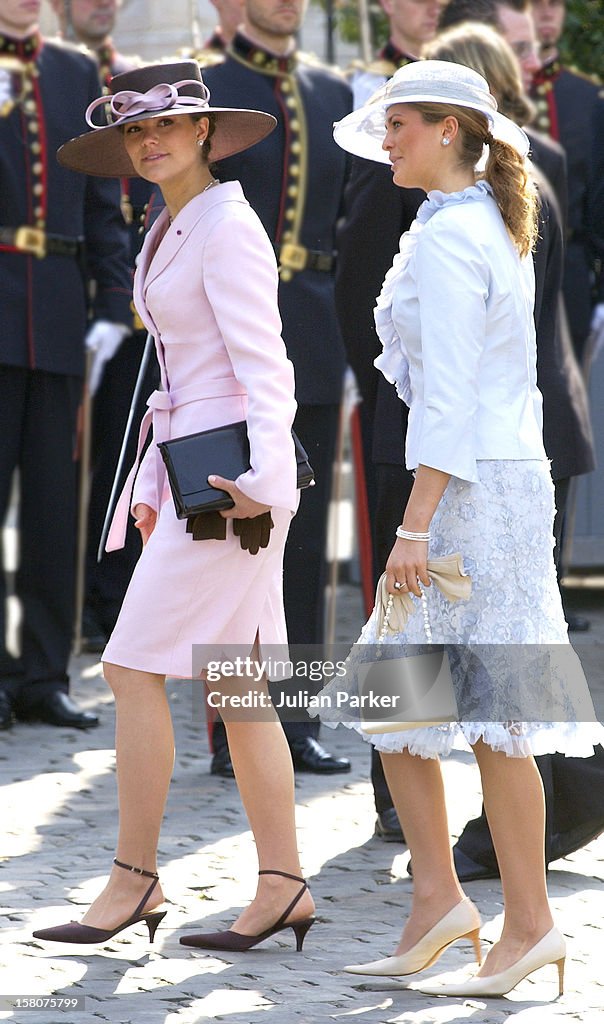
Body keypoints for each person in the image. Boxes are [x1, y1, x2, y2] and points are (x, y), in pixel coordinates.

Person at [318, 59, 604, 998]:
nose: (386, 140)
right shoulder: (472, 221)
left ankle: (525, 925)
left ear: (449, 129)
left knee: (489, 717)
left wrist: (412, 526)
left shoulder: (452, 237)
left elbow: (443, 400)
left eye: (399, 125)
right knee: (412, 703)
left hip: (470, 494)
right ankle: (443, 904)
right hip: (499, 482)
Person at [32, 60, 316, 952]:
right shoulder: (171, 222)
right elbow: (177, 377)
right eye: (135, 132)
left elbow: (264, 366)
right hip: (197, 473)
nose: (150, 142)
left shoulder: (226, 224)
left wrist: (266, 484)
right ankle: (283, 885)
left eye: (166, 127)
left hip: (234, 484)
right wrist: (155, 484)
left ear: (203, 132)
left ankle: (133, 878)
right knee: (240, 685)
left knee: (128, 666)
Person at [201, 0, 353, 777]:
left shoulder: (331, 95)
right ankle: (234, 727)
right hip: (234, 339)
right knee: (239, 538)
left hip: (318, 333)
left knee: (307, 545)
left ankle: (296, 721)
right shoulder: (212, 86)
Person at [0, 0, 131, 731]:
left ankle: (44, 675)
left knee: (56, 508)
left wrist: (113, 305)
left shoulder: (77, 71)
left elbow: (104, 206)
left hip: (57, 318)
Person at [50, 0, 162, 653]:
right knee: (56, 466)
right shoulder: (54, 75)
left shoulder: (137, 82)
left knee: (121, 462)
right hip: (57, 298)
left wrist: (123, 298)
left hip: (126, 305)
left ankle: (107, 599)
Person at [528, 0, 604, 361]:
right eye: (536, 4)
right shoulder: (497, 92)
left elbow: (599, 202)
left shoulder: (588, 99)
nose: (546, 13)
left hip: (571, 276)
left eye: (555, 5)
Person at [348, 0, 442, 108]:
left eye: (441, 2)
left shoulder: (455, 68)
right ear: (388, 3)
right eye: (420, 1)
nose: (435, 11)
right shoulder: (369, 86)